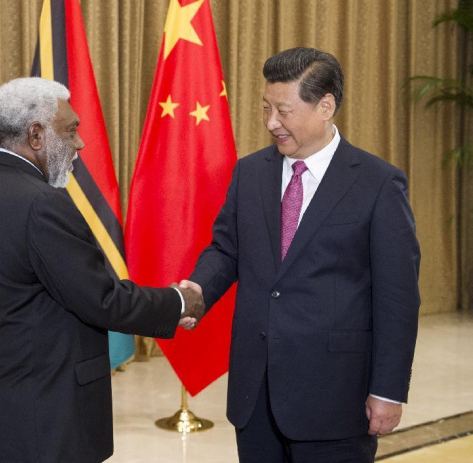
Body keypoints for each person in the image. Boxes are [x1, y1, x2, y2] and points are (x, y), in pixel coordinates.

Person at [179, 47, 420, 462]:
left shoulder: (378, 184)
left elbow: (398, 297)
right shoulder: (250, 172)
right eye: (266, 108)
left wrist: (388, 389)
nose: (272, 122)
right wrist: (196, 290)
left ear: (325, 106)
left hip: (336, 398)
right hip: (256, 393)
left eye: (284, 110)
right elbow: (226, 249)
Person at [0, 77, 204, 463]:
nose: (80, 145)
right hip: (47, 420)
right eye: (70, 131)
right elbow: (102, 299)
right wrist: (178, 301)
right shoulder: (41, 205)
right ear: (36, 135)